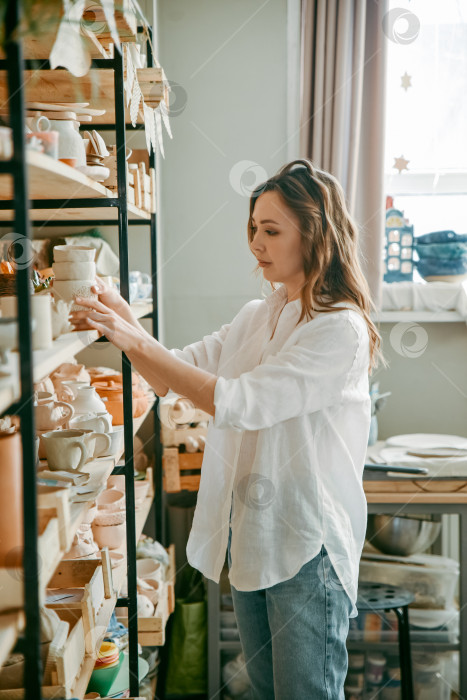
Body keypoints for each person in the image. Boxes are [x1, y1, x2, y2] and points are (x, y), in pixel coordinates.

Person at [70, 159, 383, 699]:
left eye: (271, 230)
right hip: (254, 539)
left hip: (307, 548)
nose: (256, 242)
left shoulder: (340, 330)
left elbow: (239, 402)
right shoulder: (259, 315)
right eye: (253, 228)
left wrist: (131, 338)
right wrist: (123, 318)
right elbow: (173, 371)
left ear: (314, 234)